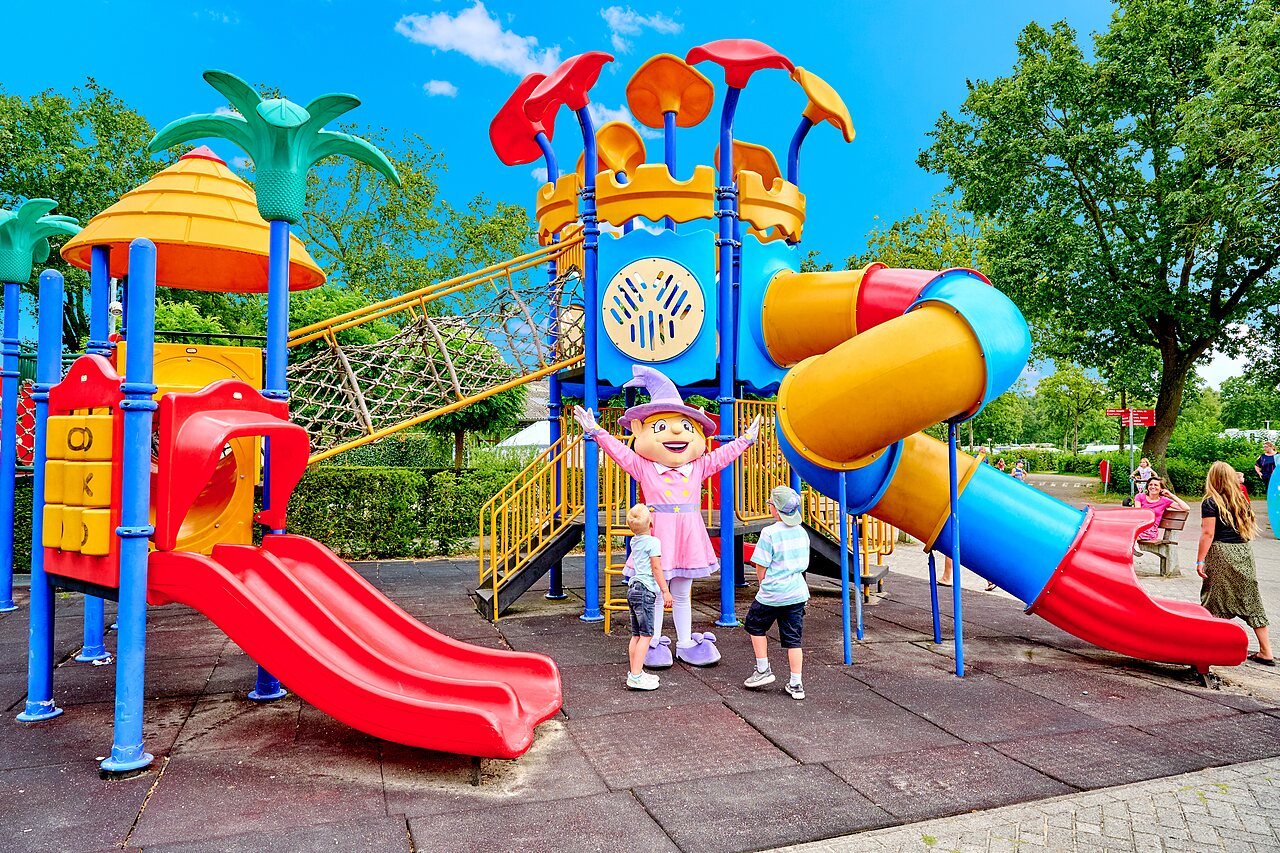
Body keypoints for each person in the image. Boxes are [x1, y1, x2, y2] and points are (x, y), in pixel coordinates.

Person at [574, 365, 760, 667]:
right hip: (659, 535)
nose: (676, 433)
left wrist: (746, 439)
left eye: (686, 426)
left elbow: (722, 456)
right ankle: (655, 641)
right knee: (658, 591)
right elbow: (619, 452)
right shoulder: (645, 467)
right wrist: (596, 432)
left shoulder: (697, 466)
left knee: (683, 591)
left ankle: (685, 643)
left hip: (687, 535)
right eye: (661, 427)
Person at [1195, 462, 1273, 666]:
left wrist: (1200, 560)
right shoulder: (1240, 499)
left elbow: (1208, 533)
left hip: (1221, 553)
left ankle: (1208, 647)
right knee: (1251, 599)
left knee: (1215, 599)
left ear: (1212, 478)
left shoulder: (1211, 502)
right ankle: (1266, 651)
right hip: (1244, 552)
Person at [743, 486, 810, 699]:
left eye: (770, 503)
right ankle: (796, 683)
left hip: (772, 593)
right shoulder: (802, 532)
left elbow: (761, 564)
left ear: (774, 508)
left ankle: (763, 669)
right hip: (797, 592)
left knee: (755, 625)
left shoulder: (769, 533)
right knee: (793, 640)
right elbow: (804, 564)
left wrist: (762, 582)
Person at [623, 505, 672, 691]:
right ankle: (636, 677)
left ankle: (635, 672)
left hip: (633, 589)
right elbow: (656, 568)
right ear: (651, 523)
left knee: (636, 635)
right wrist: (665, 590)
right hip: (644, 591)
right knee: (646, 635)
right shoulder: (653, 542)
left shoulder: (635, 541)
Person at [1134, 477, 1189, 546]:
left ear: (1161, 489)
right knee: (1125, 534)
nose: (1153, 487)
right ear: (1147, 487)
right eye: (1150, 485)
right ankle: (1134, 547)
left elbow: (1186, 508)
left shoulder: (1164, 501)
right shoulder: (1140, 497)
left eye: (1156, 485)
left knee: (1129, 537)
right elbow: (1138, 513)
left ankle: (1134, 547)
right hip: (1138, 526)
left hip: (1150, 529)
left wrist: (1171, 495)